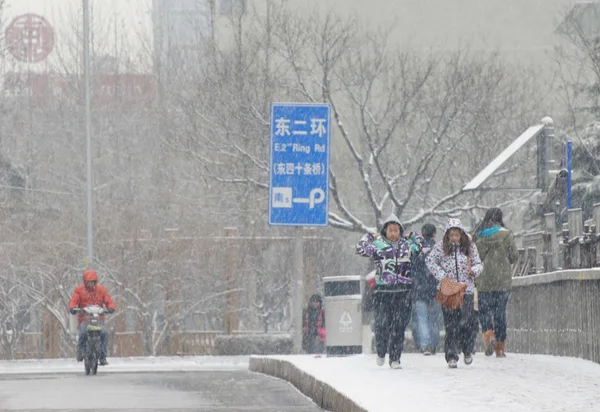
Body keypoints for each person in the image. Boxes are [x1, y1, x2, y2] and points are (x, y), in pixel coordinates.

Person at [356, 214, 426, 369]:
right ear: (385, 231)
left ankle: (395, 358)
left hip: (403, 292)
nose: (393, 233)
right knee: (381, 325)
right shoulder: (378, 245)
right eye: (390, 230)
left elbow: (423, 246)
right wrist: (369, 236)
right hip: (383, 292)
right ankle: (381, 351)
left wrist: (414, 235)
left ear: (400, 231)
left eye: (396, 230)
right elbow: (360, 249)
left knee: (399, 327)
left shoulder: (407, 245)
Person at [426, 218, 483, 368]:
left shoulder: (470, 247)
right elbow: (430, 261)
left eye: (457, 234)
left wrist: (474, 271)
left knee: (468, 323)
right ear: (447, 235)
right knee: (451, 325)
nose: (454, 238)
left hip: (467, 290)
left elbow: (479, 263)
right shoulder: (440, 248)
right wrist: (441, 275)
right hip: (449, 291)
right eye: (451, 235)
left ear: (462, 234)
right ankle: (451, 356)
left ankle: (467, 350)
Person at [472, 207, 518, 358]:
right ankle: (500, 348)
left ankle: (489, 334)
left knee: (484, 312)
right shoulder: (506, 235)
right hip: (502, 281)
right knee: (500, 314)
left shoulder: (478, 235)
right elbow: (514, 256)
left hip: (484, 281)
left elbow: (474, 258)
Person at [68, 269, 116, 365]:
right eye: (89, 282)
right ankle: (81, 352)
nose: (91, 284)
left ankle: (102, 356)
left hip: (99, 319)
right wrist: (72, 307)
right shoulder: (79, 290)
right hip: (84, 318)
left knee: (104, 333)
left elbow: (108, 300)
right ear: (85, 282)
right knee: (83, 333)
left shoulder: (101, 290)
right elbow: (74, 300)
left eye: (93, 282)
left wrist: (110, 307)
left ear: (95, 282)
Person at [411, 223, 441, 355]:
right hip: (435, 289)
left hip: (419, 289)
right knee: (434, 319)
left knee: (422, 319)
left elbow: (412, 268)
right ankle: (435, 344)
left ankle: (425, 345)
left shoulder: (416, 249)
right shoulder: (438, 249)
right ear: (434, 234)